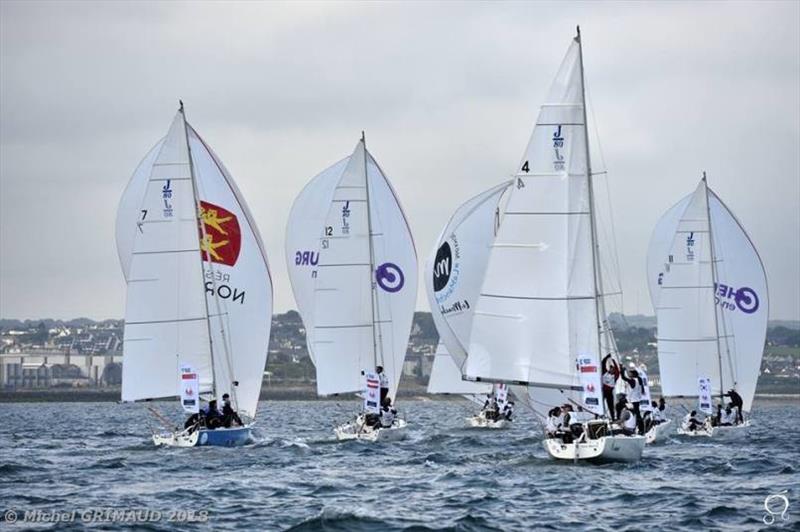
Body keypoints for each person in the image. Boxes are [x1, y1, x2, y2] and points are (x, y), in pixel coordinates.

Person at [620, 367, 645, 434]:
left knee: (634, 413)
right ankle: (640, 428)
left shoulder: (633, 380)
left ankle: (638, 428)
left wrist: (622, 370)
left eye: (630, 373)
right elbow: (642, 389)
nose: (629, 374)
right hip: (637, 399)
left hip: (633, 400)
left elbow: (623, 378)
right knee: (637, 414)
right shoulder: (639, 379)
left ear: (633, 374)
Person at [601, 354, 620, 420]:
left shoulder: (615, 376)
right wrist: (606, 357)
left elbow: (618, 370)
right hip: (603, 391)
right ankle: (598, 416)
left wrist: (613, 360)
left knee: (610, 406)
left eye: (613, 369)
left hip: (609, 392)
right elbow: (603, 364)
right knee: (600, 404)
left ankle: (613, 418)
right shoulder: (604, 372)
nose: (612, 370)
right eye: (611, 368)